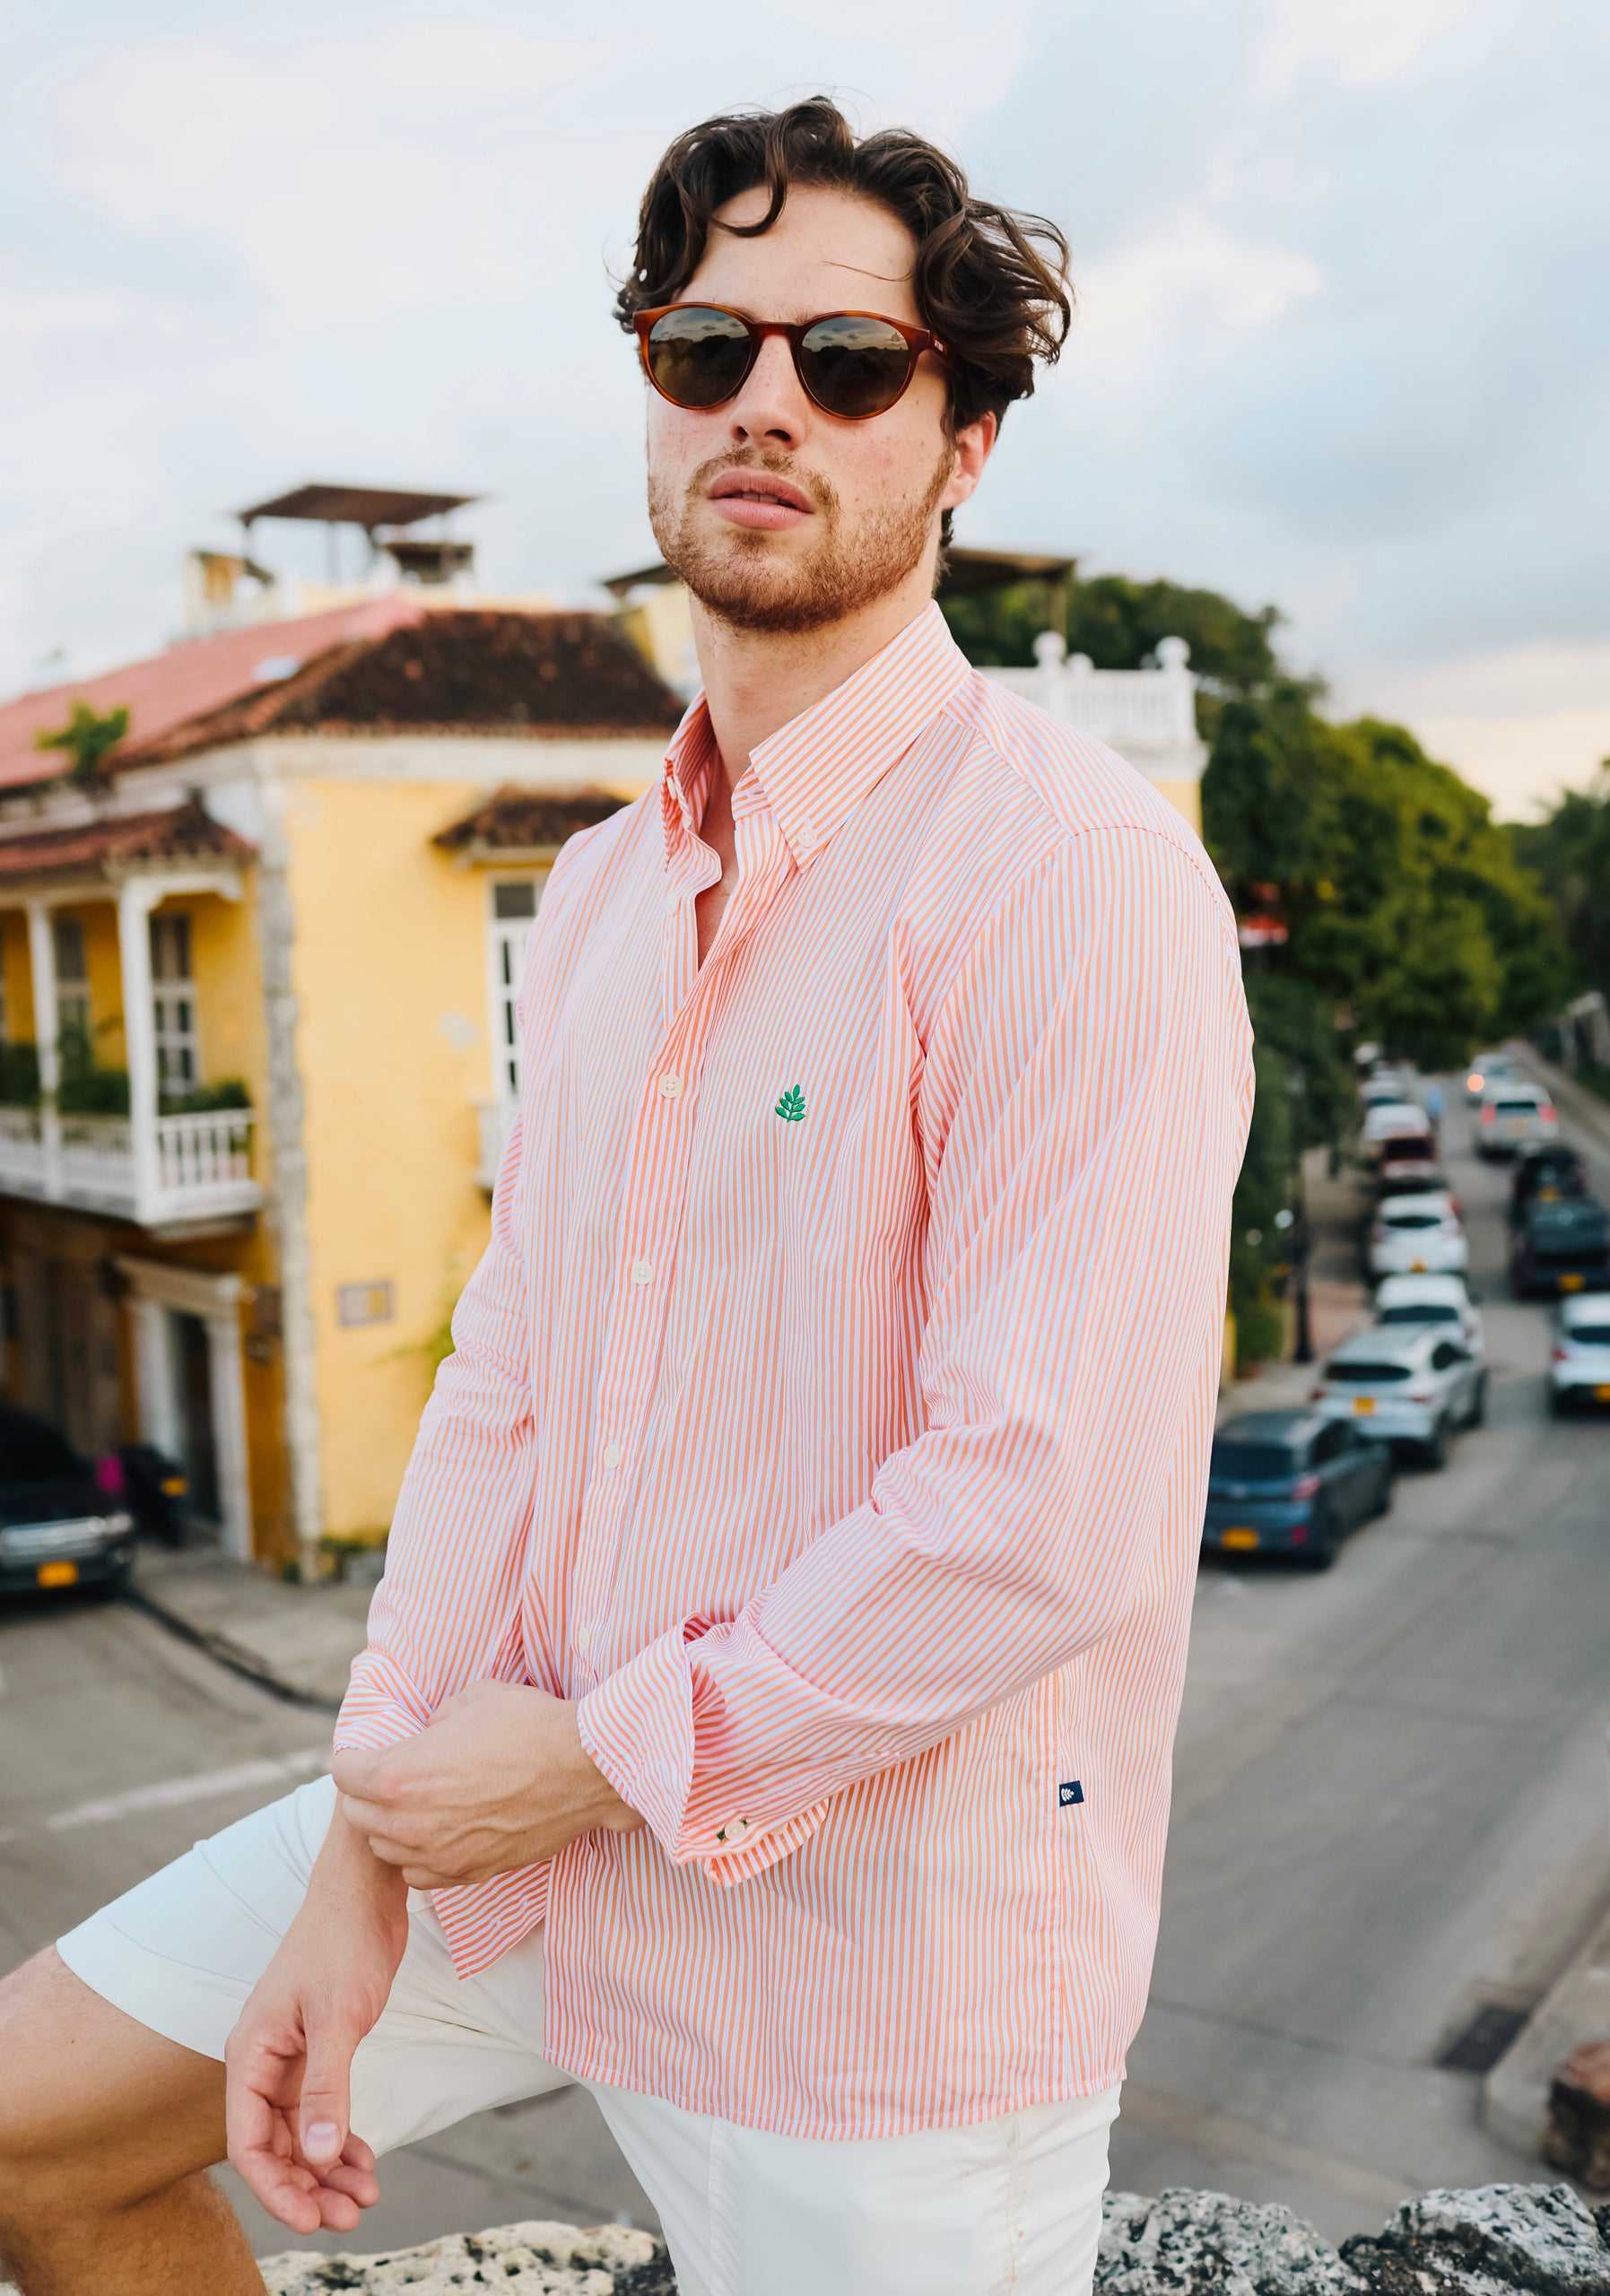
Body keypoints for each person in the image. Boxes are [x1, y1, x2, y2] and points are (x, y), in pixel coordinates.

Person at [0, 99, 1252, 2296]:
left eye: (850, 362)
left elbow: (1041, 1498)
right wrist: (370, 1834)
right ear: (655, 399)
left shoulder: (1073, 873)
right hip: (519, 1859)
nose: (767, 401)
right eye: (705, 348)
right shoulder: (595, 892)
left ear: (958, 442)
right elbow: (509, 1383)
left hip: (877, 1973)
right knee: (32, 2140)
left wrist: (572, 1765)